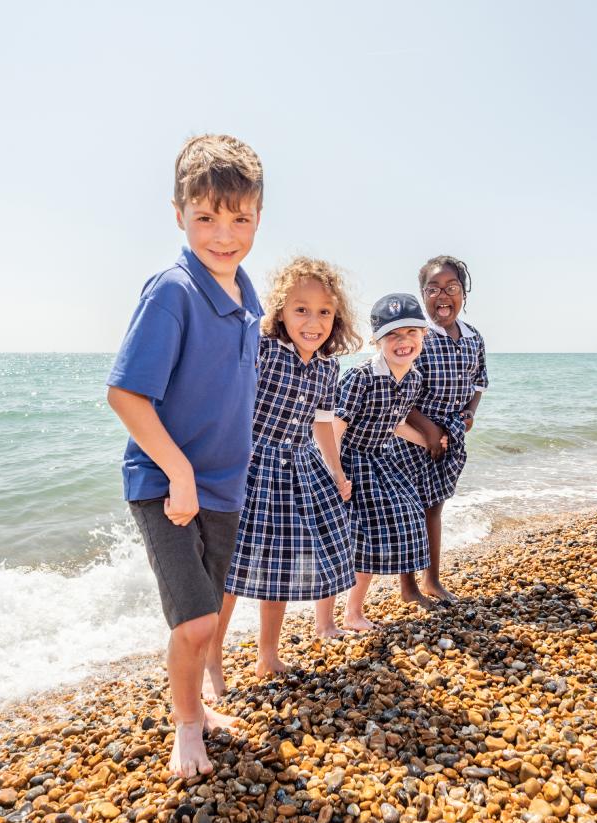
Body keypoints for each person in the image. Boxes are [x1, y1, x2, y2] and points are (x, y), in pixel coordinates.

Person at [106, 134, 264, 778]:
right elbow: (125, 395)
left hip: (225, 486)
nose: (222, 235)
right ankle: (187, 728)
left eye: (239, 219)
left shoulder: (248, 299)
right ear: (179, 214)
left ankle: (197, 705)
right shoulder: (173, 290)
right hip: (167, 484)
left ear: (258, 217)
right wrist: (178, 473)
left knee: (212, 610)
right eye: (205, 217)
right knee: (196, 620)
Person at [204, 257, 362, 690]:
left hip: (297, 469)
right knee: (234, 570)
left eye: (324, 312)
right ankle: (211, 658)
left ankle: (268, 656)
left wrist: (337, 471)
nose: (313, 322)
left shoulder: (329, 368)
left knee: (281, 567)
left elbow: (323, 424)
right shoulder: (265, 349)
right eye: (301, 309)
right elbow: (228, 399)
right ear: (280, 312)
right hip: (251, 467)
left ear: (337, 317)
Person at [334, 294, 446, 630]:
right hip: (351, 459)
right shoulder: (361, 377)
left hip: (381, 457)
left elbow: (395, 423)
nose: (404, 342)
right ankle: (347, 615)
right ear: (376, 340)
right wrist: (334, 474)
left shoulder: (412, 379)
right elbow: (336, 428)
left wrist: (427, 439)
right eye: (393, 335)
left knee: (410, 514)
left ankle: (357, 609)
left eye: (412, 332)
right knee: (362, 539)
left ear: (424, 336)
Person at [393, 255, 488, 602]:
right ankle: (408, 587)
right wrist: (428, 430)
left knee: (435, 506)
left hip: (450, 439)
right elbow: (399, 389)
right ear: (423, 294)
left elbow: (479, 383)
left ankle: (432, 579)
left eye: (451, 288)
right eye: (433, 289)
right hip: (411, 434)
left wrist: (470, 414)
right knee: (409, 508)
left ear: (463, 293)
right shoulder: (416, 337)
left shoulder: (473, 338)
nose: (442, 295)